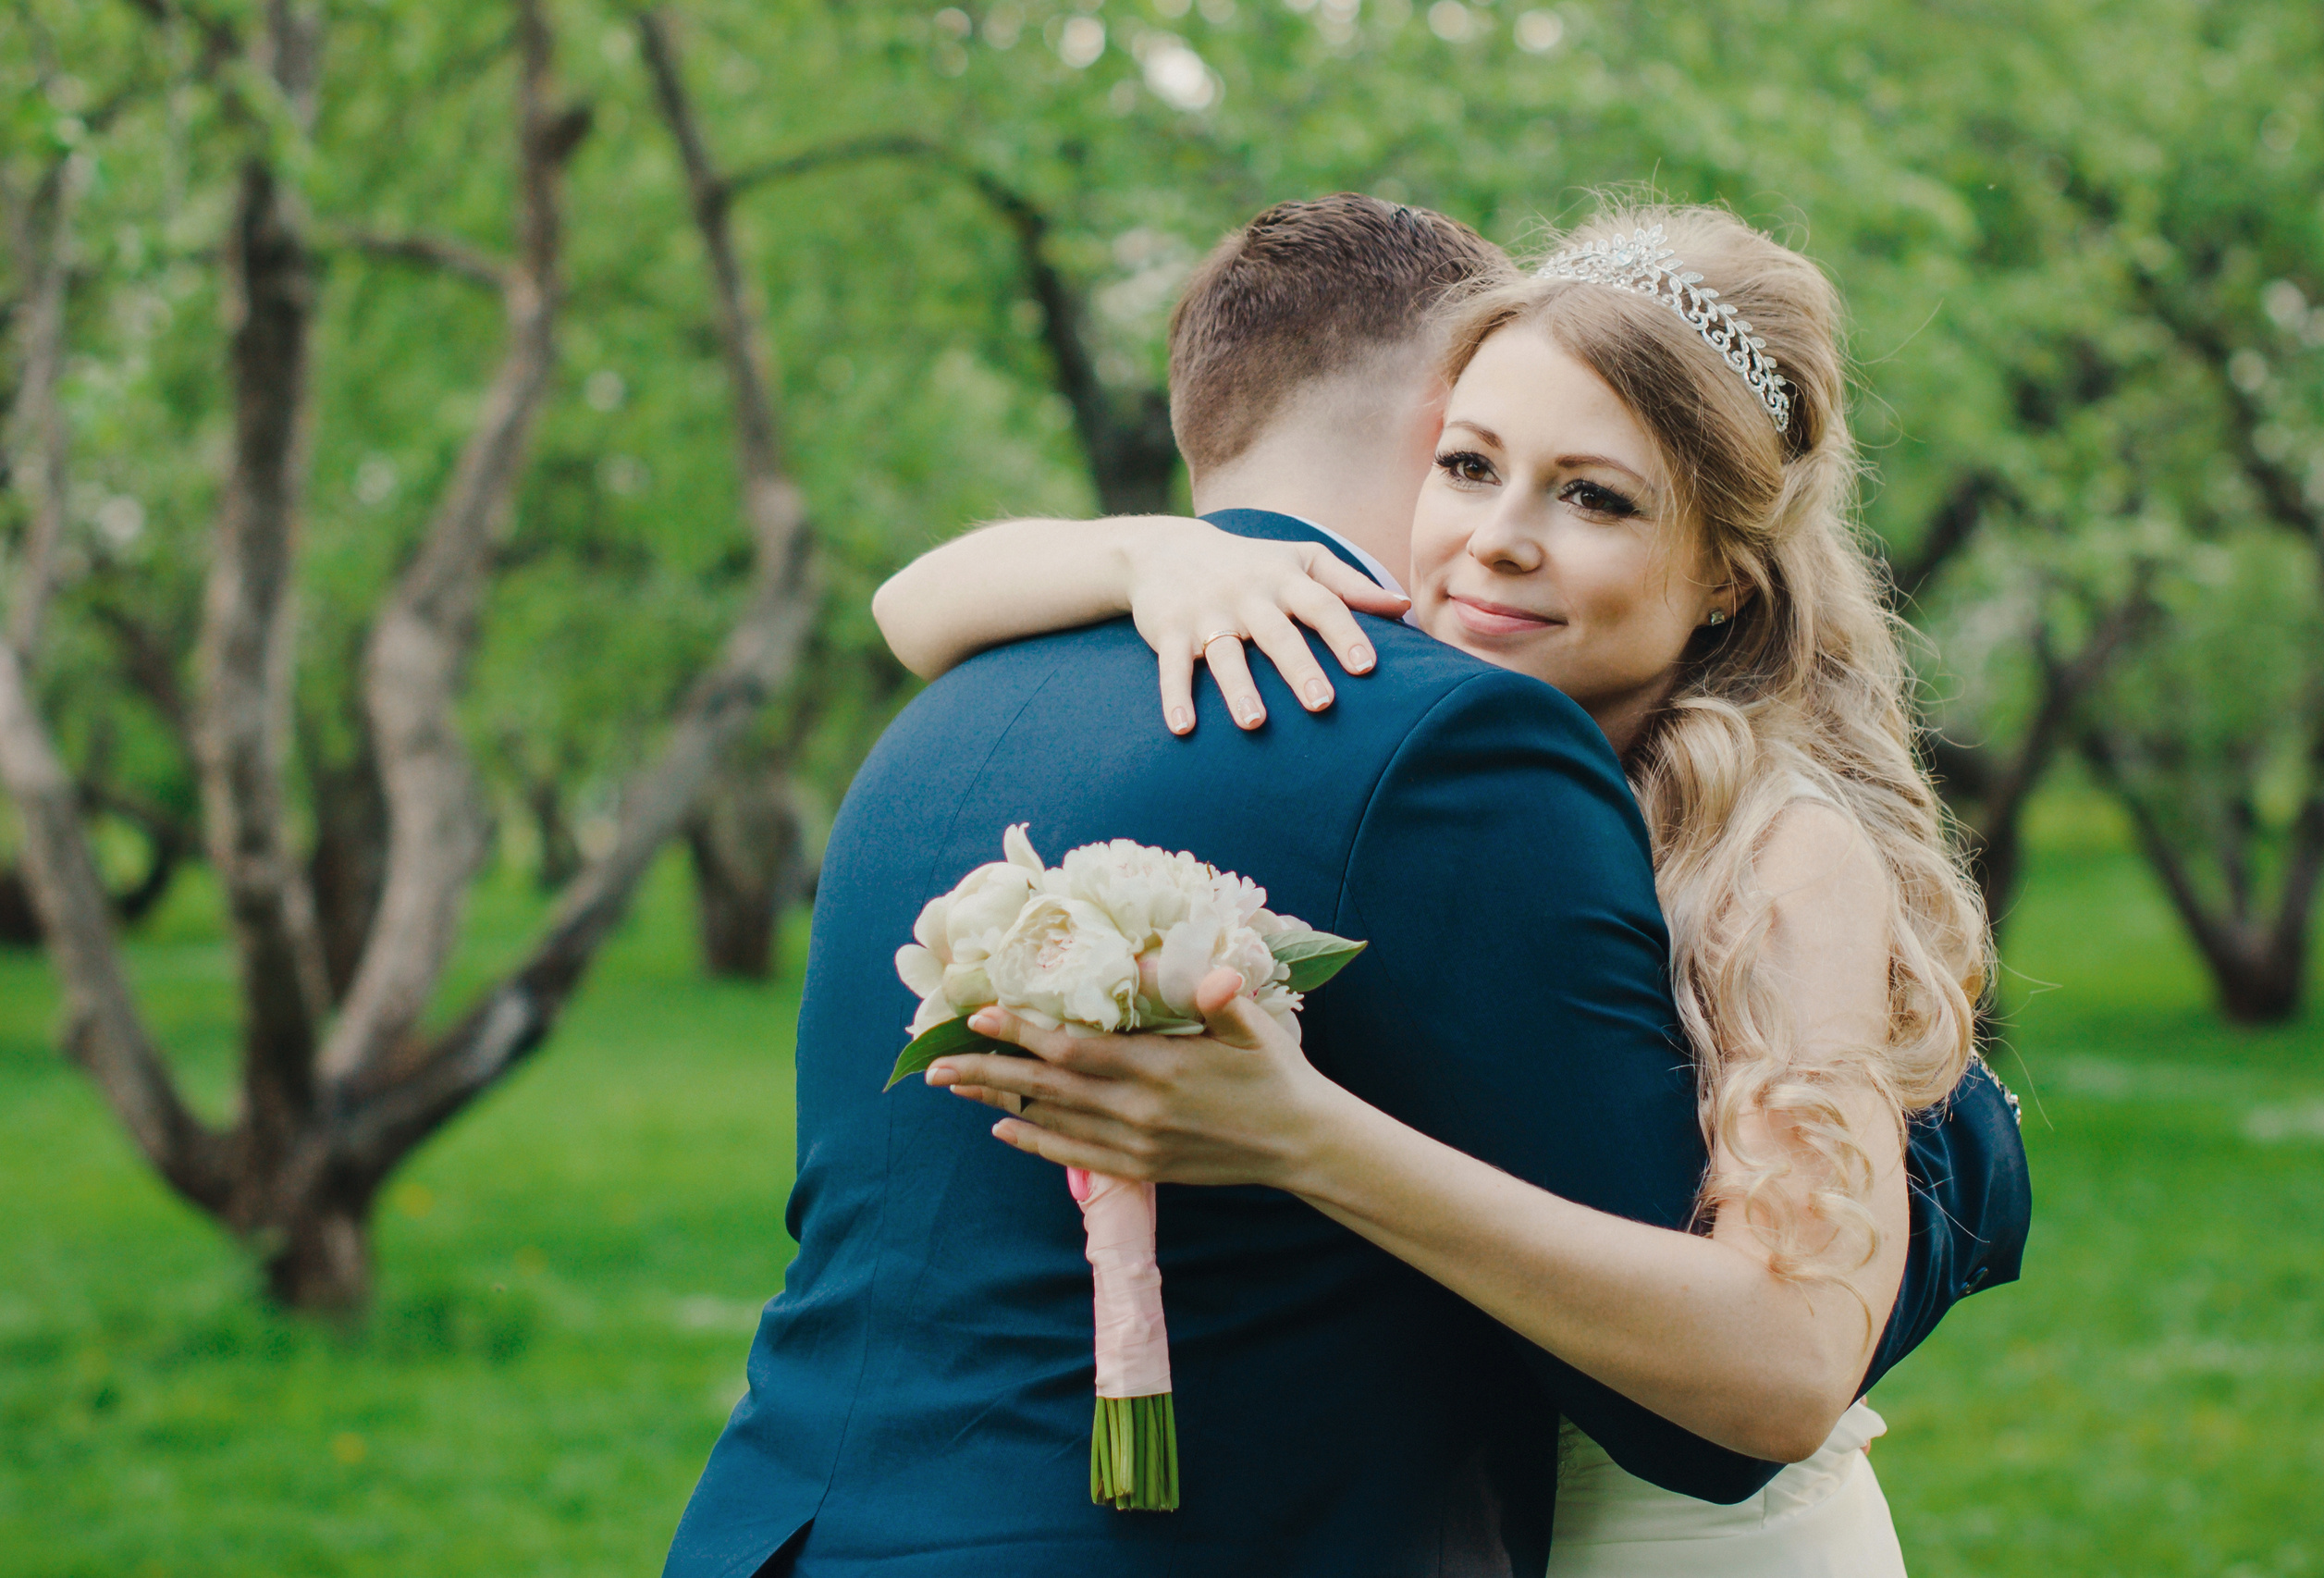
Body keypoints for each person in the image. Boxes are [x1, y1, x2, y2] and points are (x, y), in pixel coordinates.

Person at [667, 195, 2020, 1578]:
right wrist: (1147, 547)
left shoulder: (1773, 849)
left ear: (1727, 580)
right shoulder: (1436, 747)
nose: (1496, 537)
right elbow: (911, 600)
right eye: (1467, 463)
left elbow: (1785, 1368)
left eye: (1594, 495)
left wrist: (1299, 1130)